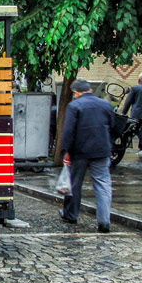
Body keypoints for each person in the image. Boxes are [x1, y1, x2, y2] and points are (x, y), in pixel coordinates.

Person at [59, 79, 116, 233]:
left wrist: (66, 151)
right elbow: (113, 125)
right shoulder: (105, 105)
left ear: (76, 92)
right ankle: (104, 221)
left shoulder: (74, 106)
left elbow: (69, 131)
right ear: (89, 90)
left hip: (80, 152)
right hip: (101, 151)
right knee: (103, 184)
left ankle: (71, 214)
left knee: (75, 184)